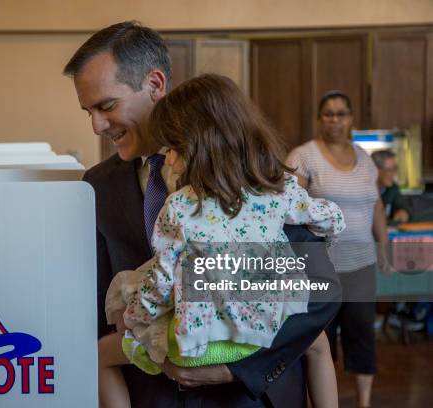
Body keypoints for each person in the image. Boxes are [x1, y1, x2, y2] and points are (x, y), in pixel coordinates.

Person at [64, 21, 341, 408]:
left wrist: (236, 364)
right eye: (88, 111)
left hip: (253, 396)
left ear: (155, 84)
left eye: (106, 106)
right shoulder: (97, 186)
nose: (96, 125)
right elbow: (97, 306)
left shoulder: (248, 171)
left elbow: (321, 290)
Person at [287, 90, 390, 408]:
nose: (335, 119)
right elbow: (288, 211)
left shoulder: (364, 158)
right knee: (318, 341)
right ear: (319, 119)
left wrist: (383, 247)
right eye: (328, 114)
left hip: (360, 264)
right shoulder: (302, 157)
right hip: (319, 268)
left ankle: (364, 401)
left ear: (351, 119)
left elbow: (375, 206)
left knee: (362, 335)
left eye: (341, 113)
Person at [371, 149, 410, 224]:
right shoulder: (363, 192)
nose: (393, 174)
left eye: (395, 169)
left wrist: (403, 212)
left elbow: (402, 206)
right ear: (375, 170)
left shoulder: (393, 188)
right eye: (389, 170)